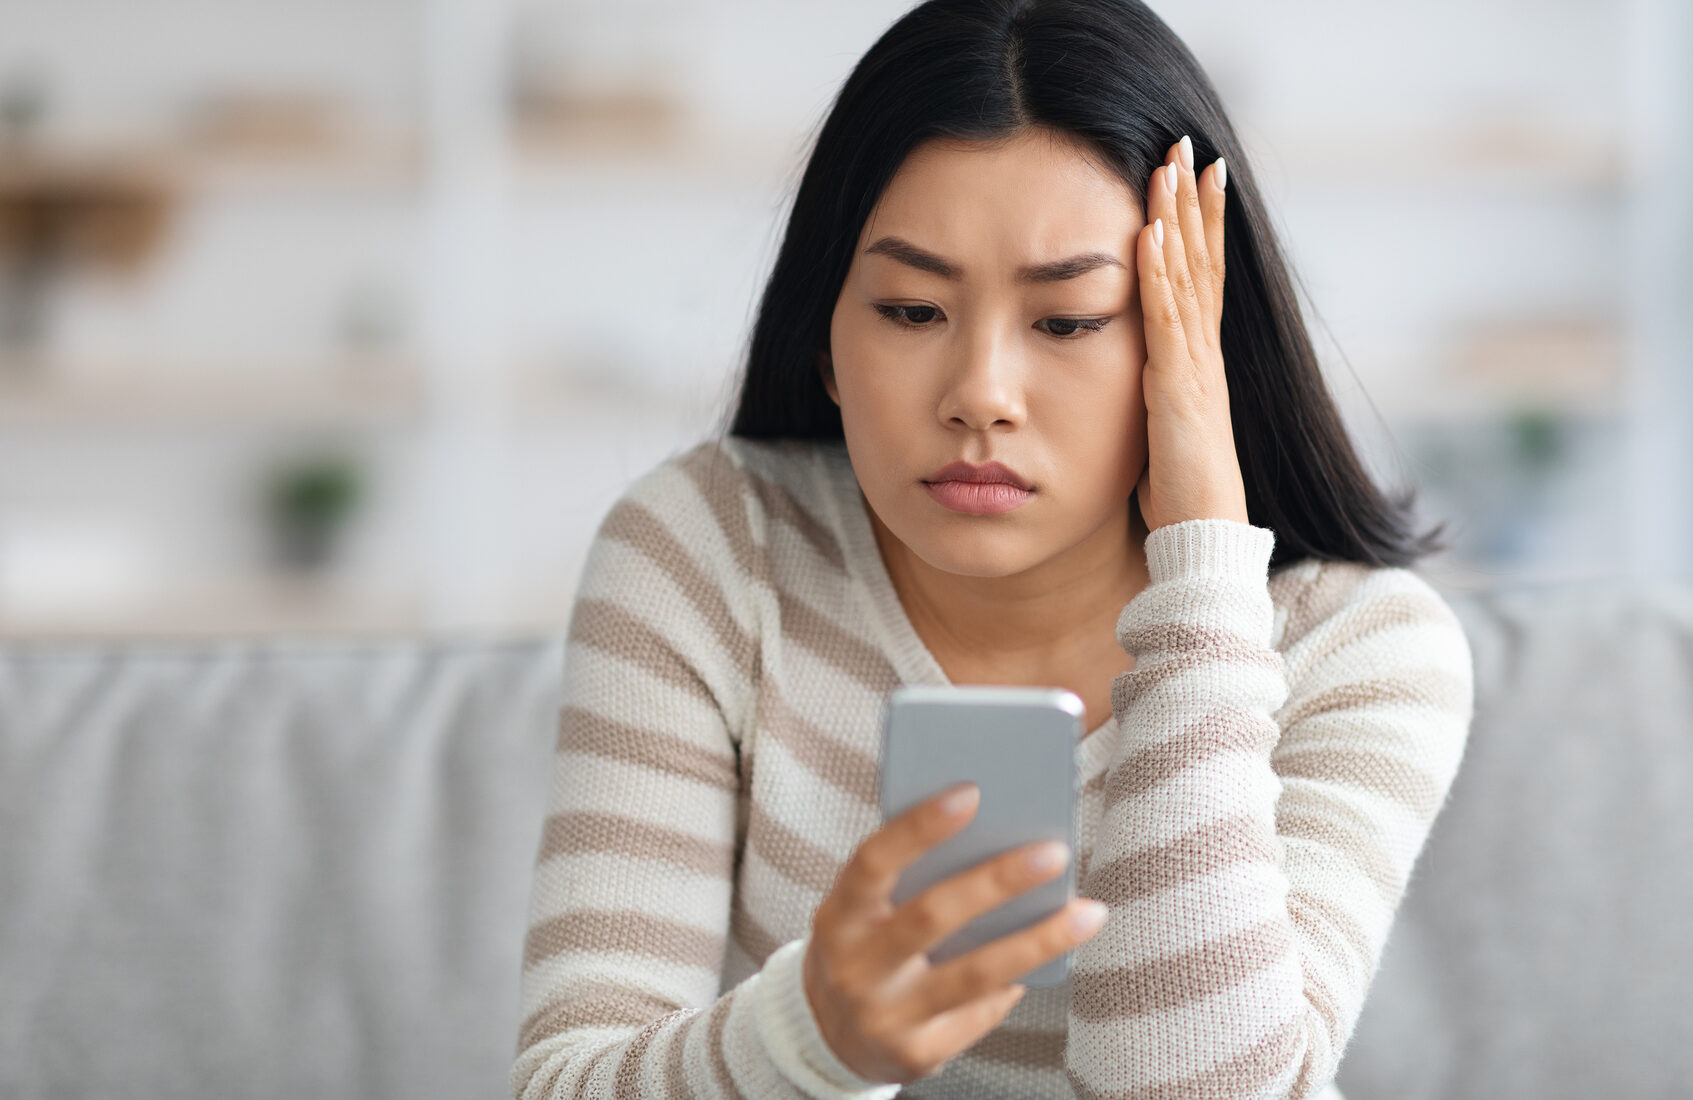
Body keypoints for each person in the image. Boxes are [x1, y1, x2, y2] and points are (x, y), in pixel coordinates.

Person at [510, 1, 1475, 1096]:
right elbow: (564, 1078)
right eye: (912, 310)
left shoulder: (1361, 648)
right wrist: (810, 1035)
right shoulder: (710, 551)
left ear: (1191, 346)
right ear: (822, 335)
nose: (979, 395)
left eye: (1066, 321)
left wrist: (1203, 571)